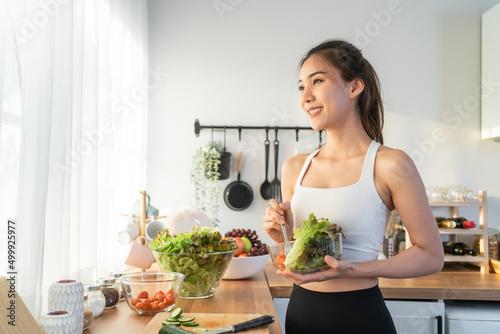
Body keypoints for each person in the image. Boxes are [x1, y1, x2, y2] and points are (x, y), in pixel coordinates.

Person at [263, 40, 444, 334]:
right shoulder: (295, 167)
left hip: (361, 318)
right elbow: (301, 253)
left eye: (317, 81)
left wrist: (355, 269)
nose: (305, 97)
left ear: (354, 87)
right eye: (300, 87)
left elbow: (431, 256)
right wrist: (281, 234)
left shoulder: (391, 164)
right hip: (300, 316)